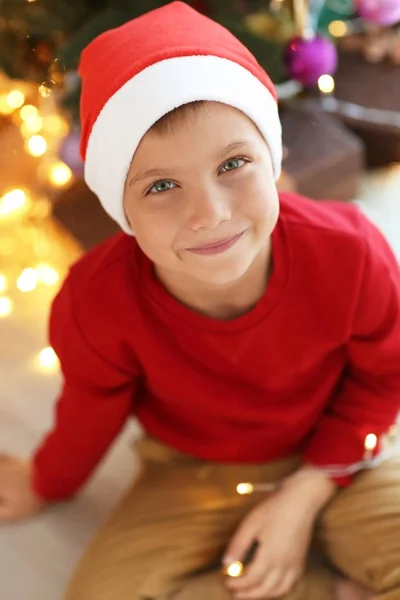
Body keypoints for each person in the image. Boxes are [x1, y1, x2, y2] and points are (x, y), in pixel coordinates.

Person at [1, 3, 400, 599]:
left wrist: (311, 486)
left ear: (275, 163)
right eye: (161, 186)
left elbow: (385, 378)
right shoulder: (95, 302)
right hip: (192, 470)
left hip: (341, 456)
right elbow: (89, 409)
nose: (209, 213)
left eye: (234, 163)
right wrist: (49, 482)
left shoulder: (350, 252)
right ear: (121, 209)